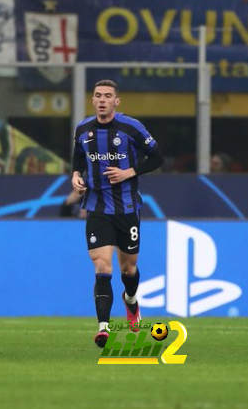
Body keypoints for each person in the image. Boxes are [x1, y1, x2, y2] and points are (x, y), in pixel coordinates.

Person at [70, 80, 164, 348]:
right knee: (102, 265)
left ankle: (131, 300)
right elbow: (78, 156)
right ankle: (104, 328)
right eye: (97, 95)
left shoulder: (131, 127)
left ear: (116, 101)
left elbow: (157, 158)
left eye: (107, 96)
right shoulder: (83, 129)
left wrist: (129, 172)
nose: (102, 100)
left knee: (128, 268)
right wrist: (76, 175)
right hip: (97, 207)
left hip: (127, 208)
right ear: (92, 100)